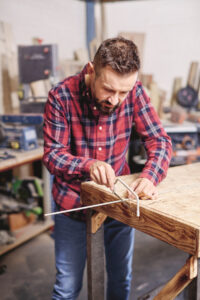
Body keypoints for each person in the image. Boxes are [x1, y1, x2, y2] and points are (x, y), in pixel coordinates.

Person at [43, 37, 172, 300]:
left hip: (118, 204)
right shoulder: (61, 96)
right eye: (108, 89)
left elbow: (159, 141)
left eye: (123, 92)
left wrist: (149, 177)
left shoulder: (134, 92)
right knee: (66, 287)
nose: (115, 100)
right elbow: (53, 155)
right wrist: (88, 165)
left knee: (120, 281)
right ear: (91, 70)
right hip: (72, 205)